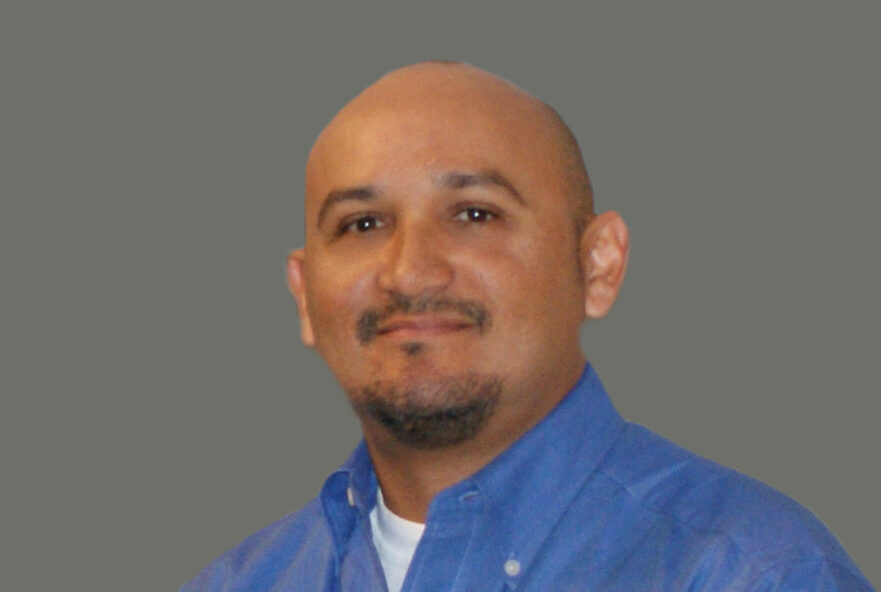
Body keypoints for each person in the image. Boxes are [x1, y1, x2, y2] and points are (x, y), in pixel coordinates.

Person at [180, 62, 874, 591]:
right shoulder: (242, 582)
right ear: (304, 296)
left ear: (597, 266)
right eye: (362, 224)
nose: (410, 271)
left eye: (474, 214)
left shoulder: (750, 572)